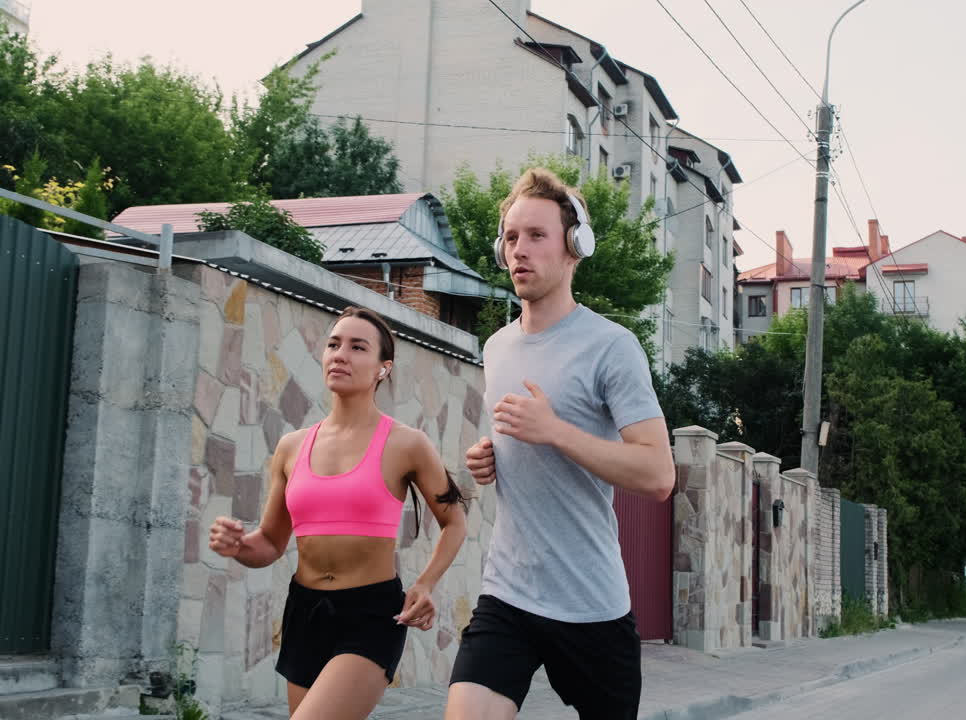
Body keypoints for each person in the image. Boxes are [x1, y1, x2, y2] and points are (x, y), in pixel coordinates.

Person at [445, 168, 675, 719]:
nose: (519, 250)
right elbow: (525, 442)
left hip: (590, 603)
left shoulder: (611, 348)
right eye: (511, 237)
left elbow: (659, 475)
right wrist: (492, 455)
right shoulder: (496, 347)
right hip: (509, 592)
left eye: (536, 235)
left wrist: (555, 432)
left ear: (575, 247)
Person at [208, 306, 467, 720]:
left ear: (383, 368)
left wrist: (426, 583)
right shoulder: (292, 447)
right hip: (305, 611)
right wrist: (238, 545)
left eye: (357, 347)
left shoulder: (407, 444)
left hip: (371, 615)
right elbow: (271, 543)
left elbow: (454, 522)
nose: (340, 354)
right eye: (333, 344)